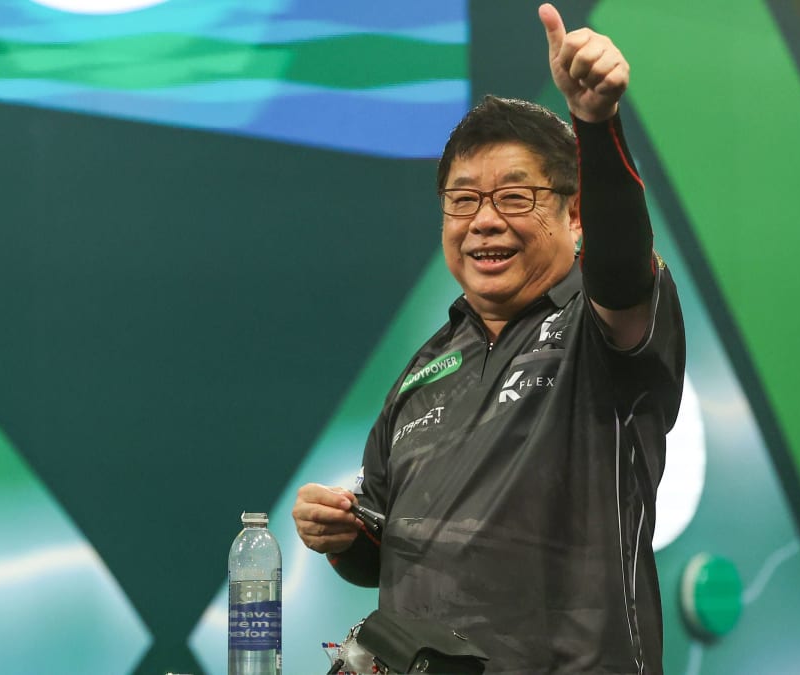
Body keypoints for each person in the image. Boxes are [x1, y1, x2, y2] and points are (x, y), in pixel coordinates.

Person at [292, 4, 684, 673]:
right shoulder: (421, 372)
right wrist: (341, 532)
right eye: (464, 199)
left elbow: (621, 263)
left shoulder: (600, 330)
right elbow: (381, 552)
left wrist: (595, 122)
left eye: (514, 197)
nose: (484, 221)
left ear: (575, 213)